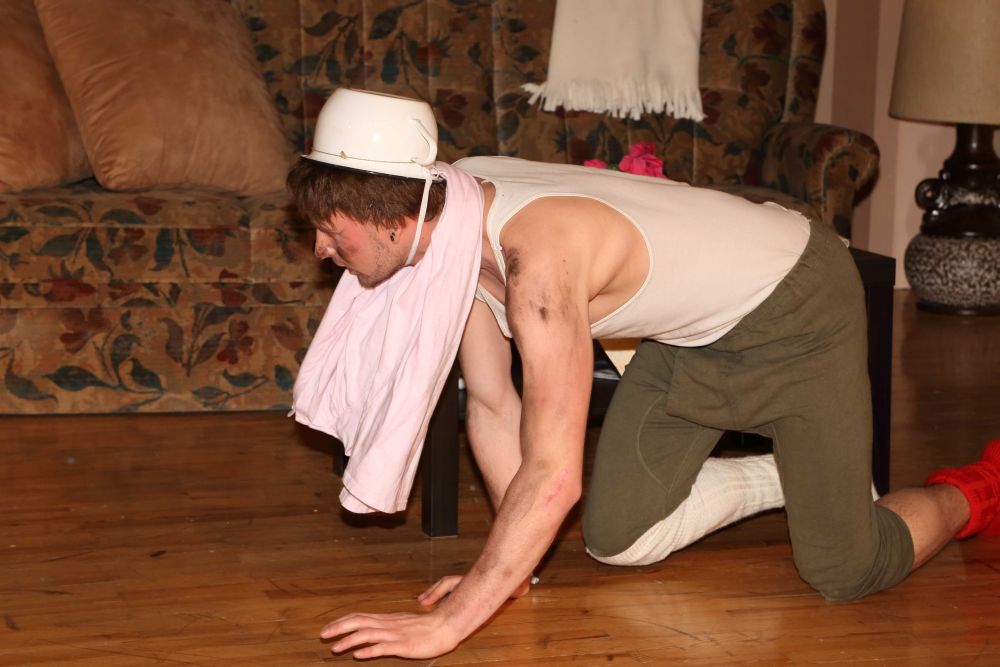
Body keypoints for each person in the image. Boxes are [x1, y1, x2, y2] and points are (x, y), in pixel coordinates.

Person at [286, 89, 1000, 660]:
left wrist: (451, 624)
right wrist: (508, 578)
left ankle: (978, 488)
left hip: (797, 310)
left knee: (845, 569)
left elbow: (554, 474)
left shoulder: (538, 264)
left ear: (389, 215)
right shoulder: (452, 222)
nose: (320, 248)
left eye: (331, 228)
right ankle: (797, 475)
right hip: (690, 337)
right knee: (617, 539)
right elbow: (495, 406)